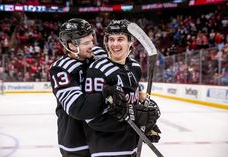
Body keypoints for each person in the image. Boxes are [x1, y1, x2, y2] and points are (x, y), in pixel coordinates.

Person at [83, 19, 161, 157]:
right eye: (111, 39)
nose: (115, 44)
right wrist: (134, 120)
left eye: (120, 39)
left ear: (130, 42)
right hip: (106, 148)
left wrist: (147, 123)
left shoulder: (135, 67)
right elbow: (92, 118)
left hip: (132, 145)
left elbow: (134, 102)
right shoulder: (97, 70)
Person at [49, 18, 107, 157]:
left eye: (92, 41)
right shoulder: (60, 69)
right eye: (86, 43)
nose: (92, 46)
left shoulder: (98, 55)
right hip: (75, 143)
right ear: (71, 45)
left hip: (102, 139)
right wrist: (110, 95)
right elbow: (78, 108)